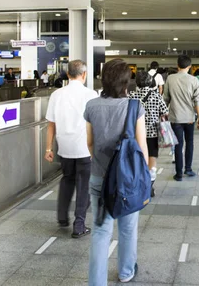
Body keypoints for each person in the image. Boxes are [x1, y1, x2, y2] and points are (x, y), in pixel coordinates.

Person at [85, 59, 148, 285]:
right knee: (128, 229)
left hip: (99, 177)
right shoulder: (134, 106)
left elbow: (89, 143)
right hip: (128, 180)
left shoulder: (91, 106)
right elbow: (141, 147)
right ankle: (126, 271)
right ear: (125, 82)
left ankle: (96, 282)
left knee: (100, 232)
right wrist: (147, 174)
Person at [44, 60, 97, 239]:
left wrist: (48, 148)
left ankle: (62, 218)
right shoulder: (91, 95)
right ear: (84, 75)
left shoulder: (57, 95)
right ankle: (79, 224)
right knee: (84, 185)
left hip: (64, 147)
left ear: (67, 75)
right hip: (84, 148)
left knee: (67, 179)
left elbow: (51, 124)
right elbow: (95, 124)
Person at [129, 71, 168, 197]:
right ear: (151, 82)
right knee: (152, 159)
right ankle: (149, 186)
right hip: (152, 134)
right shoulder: (156, 96)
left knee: (137, 159)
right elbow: (165, 111)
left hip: (136, 134)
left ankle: (138, 183)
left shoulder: (132, 96)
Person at [163, 55, 199, 181]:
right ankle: (188, 169)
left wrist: (164, 114)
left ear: (177, 65)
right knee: (189, 143)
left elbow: (166, 98)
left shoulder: (170, 78)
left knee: (178, 145)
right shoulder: (194, 80)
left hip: (175, 118)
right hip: (190, 118)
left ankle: (179, 173)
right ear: (190, 66)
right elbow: (197, 101)